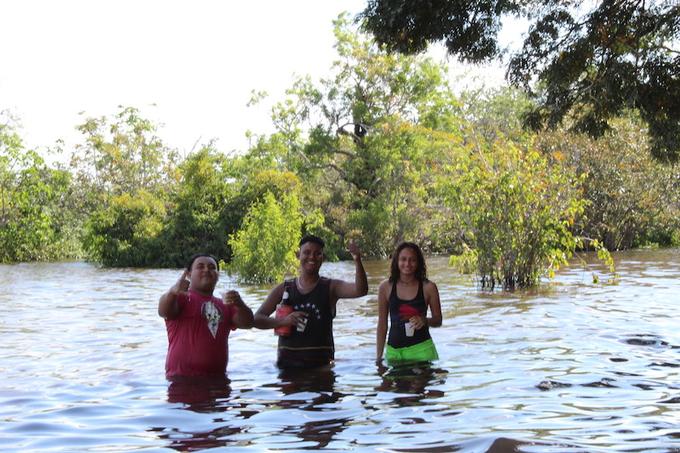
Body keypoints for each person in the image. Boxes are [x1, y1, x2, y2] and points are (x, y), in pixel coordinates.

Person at [254, 235, 368, 369]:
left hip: (321, 369)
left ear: (323, 258)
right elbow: (256, 319)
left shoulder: (331, 287)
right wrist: (283, 321)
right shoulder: (284, 288)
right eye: (306, 252)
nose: (312, 257)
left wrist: (357, 259)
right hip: (287, 369)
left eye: (317, 253)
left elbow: (360, 290)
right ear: (298, 255)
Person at [158, 253, 254, 379]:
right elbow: (163, 311)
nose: (206, 270)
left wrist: (240, 304)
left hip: (218, 381)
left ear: (218, 276)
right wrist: (172, 292)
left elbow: (247, 323)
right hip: (181, 380)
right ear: (188, 274)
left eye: (211, 267)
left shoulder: (226, 304)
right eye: (200, 266)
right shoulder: (181, 298)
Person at [376, 242, 442, 366]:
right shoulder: (385, 287)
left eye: (412, 260)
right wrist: (378, 358)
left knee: (419, 385)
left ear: (418, 263)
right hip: (394, 353)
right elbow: (382, 325)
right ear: (396, 261)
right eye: (403, 259)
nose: (407, 264)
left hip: (422, 351)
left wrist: (425, 320)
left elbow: (438, 320)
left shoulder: (429, 287)